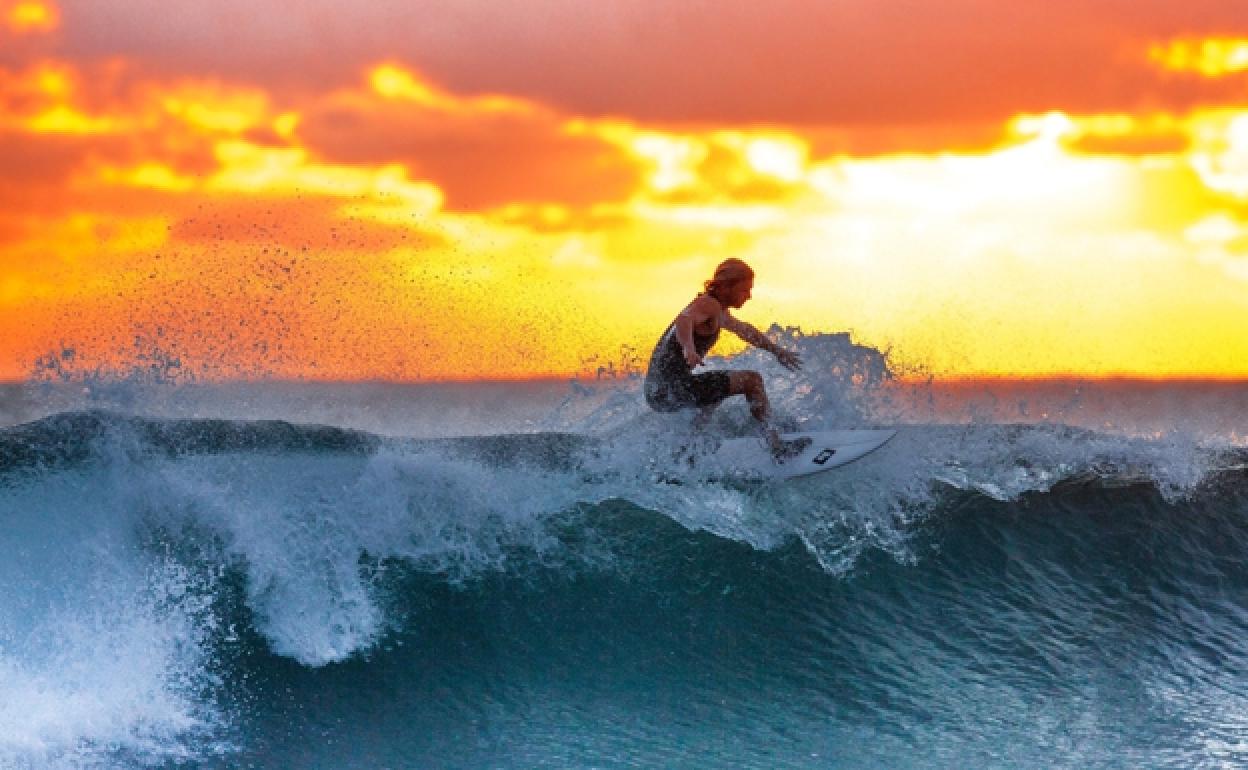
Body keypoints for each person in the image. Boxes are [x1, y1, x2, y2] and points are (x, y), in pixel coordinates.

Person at [643, 257, 810, 460]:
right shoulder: (708, 304)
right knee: (752, 381)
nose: (748, 296)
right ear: (725, 287)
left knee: (718, 389)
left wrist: (777, 351)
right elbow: (684, 319)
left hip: (658, 392)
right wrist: (688, 347)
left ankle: (687, 450)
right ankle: (776, 446)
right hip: (670, 388)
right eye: (744, 290)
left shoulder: (717, 311)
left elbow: (745, 331)